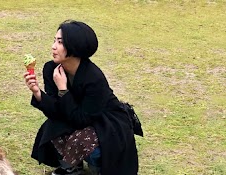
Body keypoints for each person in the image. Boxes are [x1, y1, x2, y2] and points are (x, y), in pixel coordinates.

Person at [22, 20, 143, 175]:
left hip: (105, 122)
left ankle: (99, 167)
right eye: (54, 40)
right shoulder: (51, 69)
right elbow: (55, 112)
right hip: (76, 115)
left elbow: (82, 120)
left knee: (81, 139)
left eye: (60, 42)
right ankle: (72, 167)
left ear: (74, 46)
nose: (53, 46)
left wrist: (63, 90)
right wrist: (37, 93)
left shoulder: (94, 78)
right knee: (52, 128)